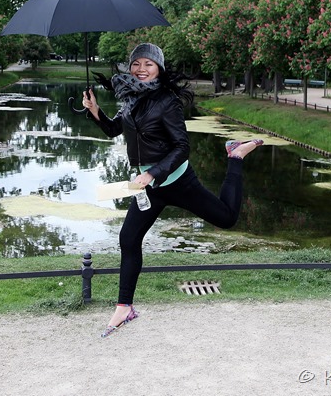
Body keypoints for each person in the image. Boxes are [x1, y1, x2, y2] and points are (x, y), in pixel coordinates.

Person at [82, 43, 262, 338]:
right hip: (148, 187)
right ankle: (124, 307)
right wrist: (94, 110)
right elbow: (115, 129)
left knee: (227, 218)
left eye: (148, 64)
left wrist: (153, 172)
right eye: (136, 63)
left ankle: (235, 156)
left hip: (177, 181)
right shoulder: (130, 97)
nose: (141, 69)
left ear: (159, 68)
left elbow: (182, 147)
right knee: (128, 239)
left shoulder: (167, 101)